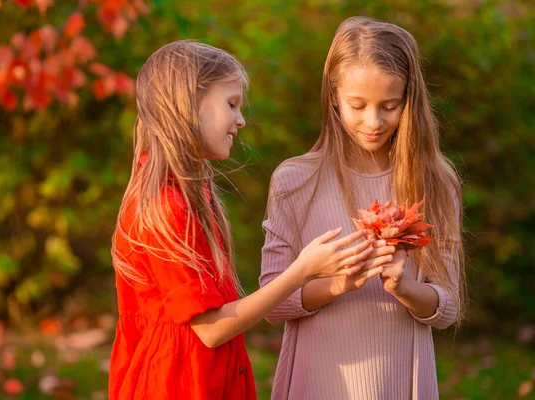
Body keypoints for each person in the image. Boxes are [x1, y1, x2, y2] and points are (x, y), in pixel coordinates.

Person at [107, 40, 391, 400]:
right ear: (189, 104)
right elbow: (210, 329)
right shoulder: (164, 206)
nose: (240, 119)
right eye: (231, 104)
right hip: (176, 386)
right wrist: (301, 271)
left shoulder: (192, 195)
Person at [260, 16, 466, 400]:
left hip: (400, 377)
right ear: (333, 95)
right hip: (320, 377)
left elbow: (448, 306)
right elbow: (273, 301)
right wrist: (339, 283)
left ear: (409, 99)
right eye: (358, 105)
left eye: (390, 105)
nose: (374, 122)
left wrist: (405, 288)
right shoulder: (296, 179)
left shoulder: (436, 181)